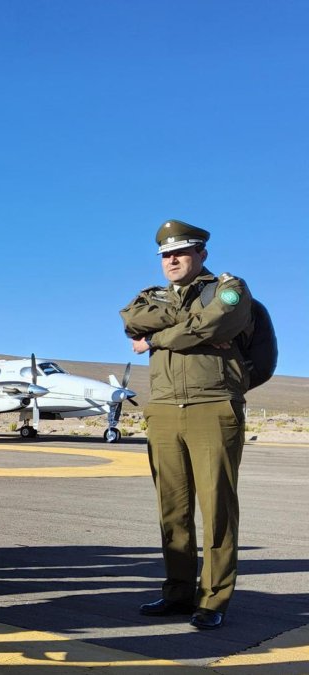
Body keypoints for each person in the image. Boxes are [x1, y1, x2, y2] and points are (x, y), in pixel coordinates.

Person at [120, 220, 252, 631]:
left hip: (213, 406)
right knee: (172, 509)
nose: (172, 260)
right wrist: (191, 322)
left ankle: (213, 599)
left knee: (217, 509)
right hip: (163, 410)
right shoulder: (150, 296)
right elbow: (131, 320)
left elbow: (219, 322)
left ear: (201, 254)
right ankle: (178, 593)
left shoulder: (228, 288)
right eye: (165, 255)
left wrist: (157, 338)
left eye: (180, 252)